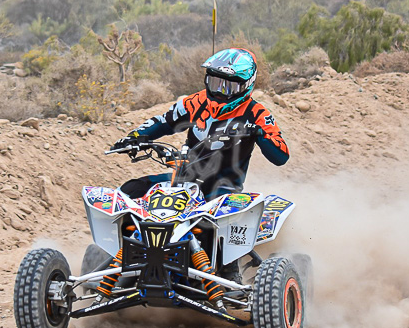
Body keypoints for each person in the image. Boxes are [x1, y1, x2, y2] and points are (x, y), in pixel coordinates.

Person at [110, 47, 290, 283]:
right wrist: (135, 137)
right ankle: (120, 258)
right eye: (215, 82)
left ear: (246, 86)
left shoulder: (257, 113)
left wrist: (259, 133)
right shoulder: (196, 102)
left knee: (223, 213)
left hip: (224, 185)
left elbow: (281, 155)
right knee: (131, 190)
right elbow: (164, 121)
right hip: (183, 179)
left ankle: (229, 273)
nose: (220, 91)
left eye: (229, 86)